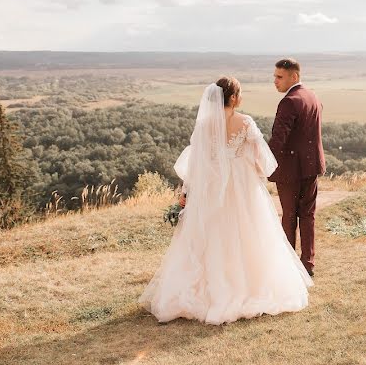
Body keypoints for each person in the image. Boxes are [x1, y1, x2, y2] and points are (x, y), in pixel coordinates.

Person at [139, 77, 313, 324]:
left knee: (214, 234)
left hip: (210, 188)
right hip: (242, 187)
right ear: (233, 97)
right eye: (240, 93)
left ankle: (209, 289)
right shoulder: (245, 122)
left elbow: (196, 163)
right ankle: (247, 287)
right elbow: (263, 162)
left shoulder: (204, 125)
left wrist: (188, 191)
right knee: (247, 233)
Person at [268, 58, 326, 277]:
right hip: (311, 166)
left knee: (290, 216)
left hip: (291, 170)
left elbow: (277, 140)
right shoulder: (312, 96)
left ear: (295, 76)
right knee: (308, 215)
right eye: (274, 76)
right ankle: (307, 263)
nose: (275, 81)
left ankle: (289, 263)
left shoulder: (289, 101)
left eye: (279, 77)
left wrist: (263, 164)